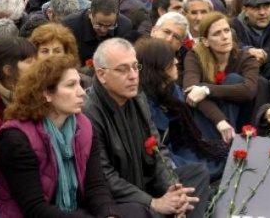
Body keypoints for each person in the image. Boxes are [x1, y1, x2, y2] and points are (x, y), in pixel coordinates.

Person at [0, 55, 150, 217]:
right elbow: (34, 208)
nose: (81, 93)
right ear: (46, 93)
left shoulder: (83, 126)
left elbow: (95, 186)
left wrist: (109, 214)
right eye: (71, 85)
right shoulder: (16, 138)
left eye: (80, 83)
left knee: (138, 210)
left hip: (72, 212)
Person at [84, 38, 210, 217]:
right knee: (143, 212)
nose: (133, 75)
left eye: (136, 67)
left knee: (196, 174)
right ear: (102, 74)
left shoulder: (138, 97)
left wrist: (173, 190)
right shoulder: (89, 114)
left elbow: (158, 150)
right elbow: (106, 177)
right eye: (123, 69)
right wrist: (153, 202)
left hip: (147, 183)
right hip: (120, 197)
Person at [135, 37, 227, 180]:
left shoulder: (171, 89)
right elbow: (160, 150)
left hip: (180, 144)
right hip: (165, 156)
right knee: (204, 170)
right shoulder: (143, 103)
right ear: (157, 68)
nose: (177, 62)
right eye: (170, 62)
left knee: (221, 157)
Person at [183, 12, 259, 142]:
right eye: (217, 33)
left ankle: (221, 147)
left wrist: (206, 90)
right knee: (196, 94)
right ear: (205, 41)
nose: (224, 37)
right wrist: (220, 120)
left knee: (233, 79)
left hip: (241, 118)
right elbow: (190, 91)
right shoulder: (195, 56)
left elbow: (249, 90)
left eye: (226, 31)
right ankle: (221, 147)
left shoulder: (246, 58)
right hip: (209, 121)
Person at [0, 37, 35, 156]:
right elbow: (2, 138)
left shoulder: (32, 88)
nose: (36, 66)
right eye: (29, 62)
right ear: (8, 70)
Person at [63, 0, 132, 63]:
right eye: (99, 25)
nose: (103, 30)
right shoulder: (70, 26)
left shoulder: (124, 26)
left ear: (117, 17)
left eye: (110, 26)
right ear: (90, 14)